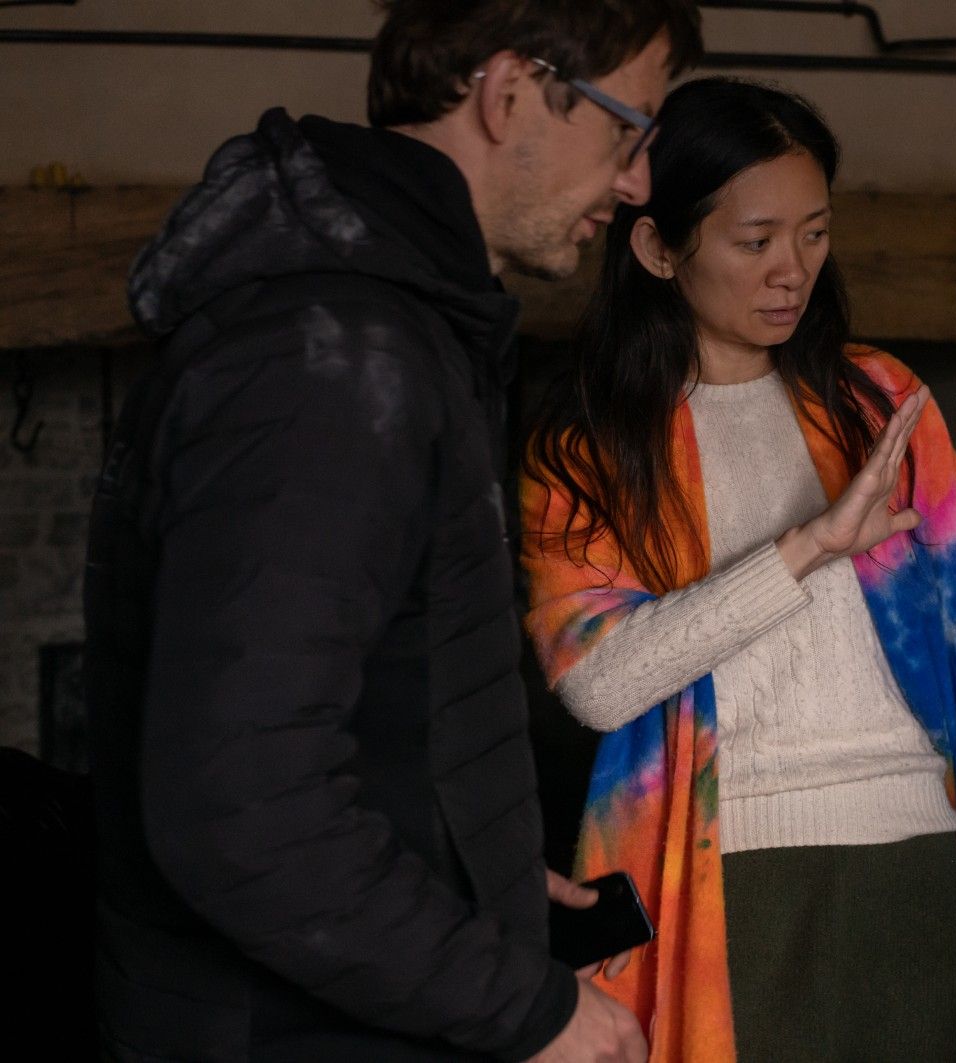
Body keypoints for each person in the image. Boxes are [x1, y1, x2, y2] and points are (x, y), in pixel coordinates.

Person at [519, 77, 956, 1062]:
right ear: (658, 248)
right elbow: (598, 681)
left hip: (913, 872)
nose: (791, 271)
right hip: (731, 883)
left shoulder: (878, 403)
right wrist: (808, 546)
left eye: (814, 233)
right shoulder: (591, 448)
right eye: (755, 241)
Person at [83, 2, 701, 1059]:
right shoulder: (329, 359)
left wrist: (473, 867)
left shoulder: (401, 329)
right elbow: (242, 808)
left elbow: (370, 698)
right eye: (625, 128)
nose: (639, 180)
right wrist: (528, 1007)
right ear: (510, 93)